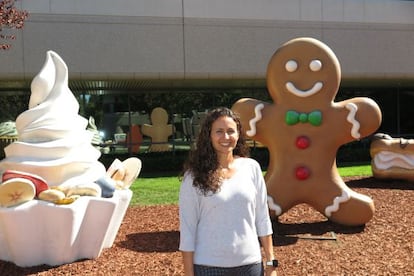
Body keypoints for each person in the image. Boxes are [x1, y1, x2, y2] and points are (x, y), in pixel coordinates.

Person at [179, 107, 277, 276]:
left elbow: (262, 218)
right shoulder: (193, 177)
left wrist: (270, 262)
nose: (225, 137)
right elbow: (188, 231)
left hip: (251, 266)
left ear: (238, 135)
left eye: (231, 131)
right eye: (219, 131)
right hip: (209, 267)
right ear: (209, 135)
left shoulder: (252, 168)